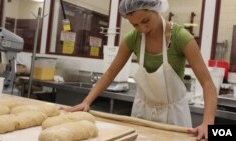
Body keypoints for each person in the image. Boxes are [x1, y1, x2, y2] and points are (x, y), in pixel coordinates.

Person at [60, 0, 217, 140]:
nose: (142, 29)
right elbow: (109, 74)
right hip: (142, 113)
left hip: (173, 115)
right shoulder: (132, 39)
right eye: (135, 24)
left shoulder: (181, 38)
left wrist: (208, 123)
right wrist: (86, 102)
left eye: (145, 21)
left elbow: (207, 83)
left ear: (155, 8)